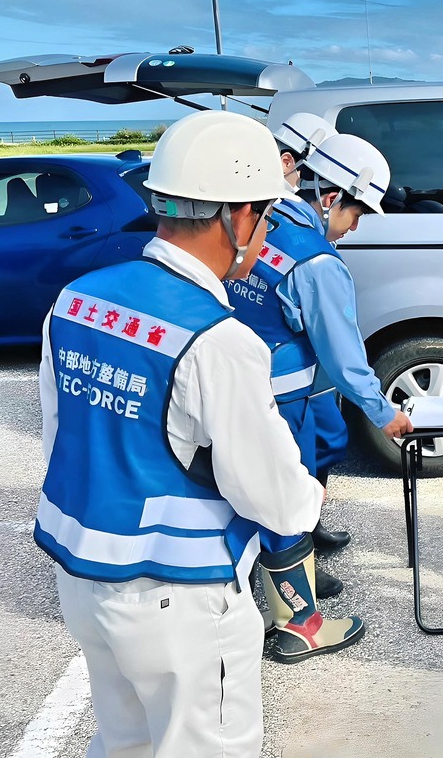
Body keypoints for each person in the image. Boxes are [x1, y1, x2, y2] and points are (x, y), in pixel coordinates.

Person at [34, 111, 328, 755]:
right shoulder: (219, 340)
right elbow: (274, 498)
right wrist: (312, 497)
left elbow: (63, 430)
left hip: (84, 580)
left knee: (123, 742)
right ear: (237, 215)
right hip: (180, 600)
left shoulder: (78, 299)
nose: (265, 233)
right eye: (266, 217)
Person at [225, 129, 414, 658]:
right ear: (331, 197)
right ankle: (297, 625)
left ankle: (263, 596)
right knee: (284, 503)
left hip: (226, 388)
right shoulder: (316, 261)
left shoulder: (251, 217)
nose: (353, 227)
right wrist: (383, 413)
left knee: (243, 498)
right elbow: (343, 355)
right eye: (356, 213)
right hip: (284, 402)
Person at [273, 113, 354, 555]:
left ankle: (311, 525)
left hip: (308, 371)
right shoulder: (286, 225)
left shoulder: (293, 221)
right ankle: (296, 553)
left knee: (325, 442)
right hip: (289, 374)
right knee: (294, 462)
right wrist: (381, 411)